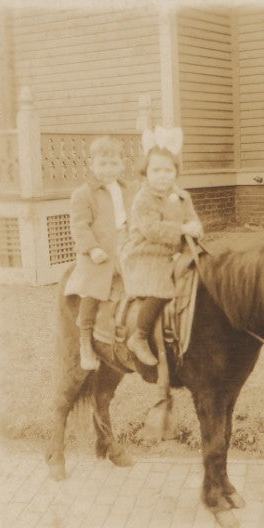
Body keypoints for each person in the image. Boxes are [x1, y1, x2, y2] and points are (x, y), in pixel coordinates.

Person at [121, 126, 203, 367]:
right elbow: (152, 230)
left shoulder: (182, 196)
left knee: (202, 275)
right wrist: (182, 230)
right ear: (146, 172)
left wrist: (196, 227)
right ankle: (139, 336)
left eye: (168, 170)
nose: (163, 175)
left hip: (175, 251)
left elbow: (191, 218)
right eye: (156, 170)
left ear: (176, 172)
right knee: (160, 287)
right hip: (146, 252)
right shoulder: (143, 198)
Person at [63, 136, 133, 371]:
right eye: (102, 164)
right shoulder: (83, 194)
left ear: (122, 165)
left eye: (113, 164)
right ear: (92, 165)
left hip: (125, 245)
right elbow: (79, 225)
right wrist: (92, 248)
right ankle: (85, 342)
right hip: (98, 252)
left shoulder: (127, 189)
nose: (108, 169)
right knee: (91, 293)